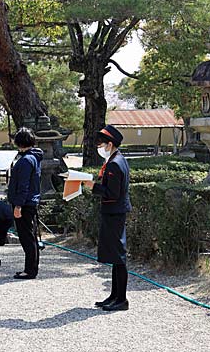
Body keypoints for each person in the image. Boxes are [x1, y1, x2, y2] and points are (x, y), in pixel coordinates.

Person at [83, 124, 132, 312]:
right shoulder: (117, 159)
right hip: (114, 212)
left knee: (118, 256)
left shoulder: (113, 163)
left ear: (110, 144)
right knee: (114, 255)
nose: (99, 147)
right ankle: (114, 295)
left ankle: (121, 299)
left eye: (102, 143)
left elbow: (112, 193)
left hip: (114, 212)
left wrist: (92, 186)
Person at [7, 127, 43, 280]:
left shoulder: (26, 161)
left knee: (27, 238)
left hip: (25, 203)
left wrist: (18, 205)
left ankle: (30, 270)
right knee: (30, 237)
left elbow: (23, 186)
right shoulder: (33, 157)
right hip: (31, 201)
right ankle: (31, 268)